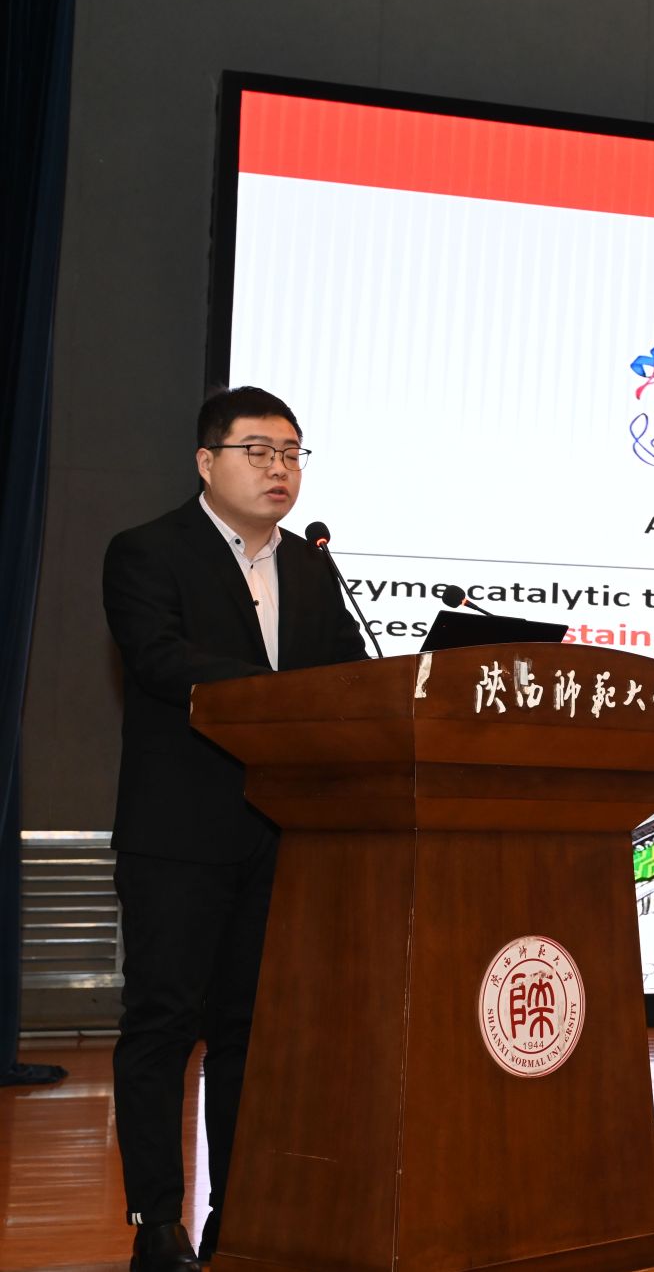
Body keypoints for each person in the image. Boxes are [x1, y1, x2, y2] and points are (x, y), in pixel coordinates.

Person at [102, 387, 367, 1271]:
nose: (278, 468)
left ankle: (238, 1211)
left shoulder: (312, 569)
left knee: (251, 1030)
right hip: (178, 835)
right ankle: (156, 1221)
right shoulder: (147, 551)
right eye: (258, 450)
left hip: (281, 834)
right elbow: (160, 661)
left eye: (291, 452)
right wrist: (289, 696)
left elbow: (348, 678)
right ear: (206, 461)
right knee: (162, 1023)